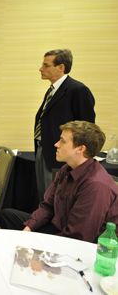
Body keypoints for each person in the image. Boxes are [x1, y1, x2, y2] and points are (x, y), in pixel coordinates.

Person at [1, 121, 118, 243]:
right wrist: (28, 230)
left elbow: (78, 238)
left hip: (84, 245)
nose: (56, 144)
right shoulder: (67, 169)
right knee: (8, 216)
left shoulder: (95, 186)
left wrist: (38, 243)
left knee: (21, 236)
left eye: (63, 141)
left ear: (81, 149)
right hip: (61, 226)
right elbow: (48, 206)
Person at [34, 49, 95, 202]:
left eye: (46, 66)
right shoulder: (52, 90)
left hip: (62, 155)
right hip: (44, 150)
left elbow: (87, 128)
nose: (41, 69)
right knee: (45, 197)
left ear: (60, 67)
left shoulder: (78, 90)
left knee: (55, 199)